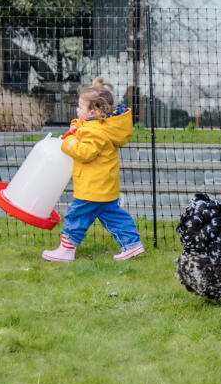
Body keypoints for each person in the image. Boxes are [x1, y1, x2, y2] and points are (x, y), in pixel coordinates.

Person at [42, 77, 144, 262]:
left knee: (76, 215)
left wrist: (69, 142)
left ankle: (66, 250)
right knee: (115, 217)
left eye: (80, 107)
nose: (77, 110)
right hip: (104, 186)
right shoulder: (101, 126)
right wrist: (76, 125)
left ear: (93, 111)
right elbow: (86, 127)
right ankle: (132, 245)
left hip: (92, 188)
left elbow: (85, 152)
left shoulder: (94, 132)